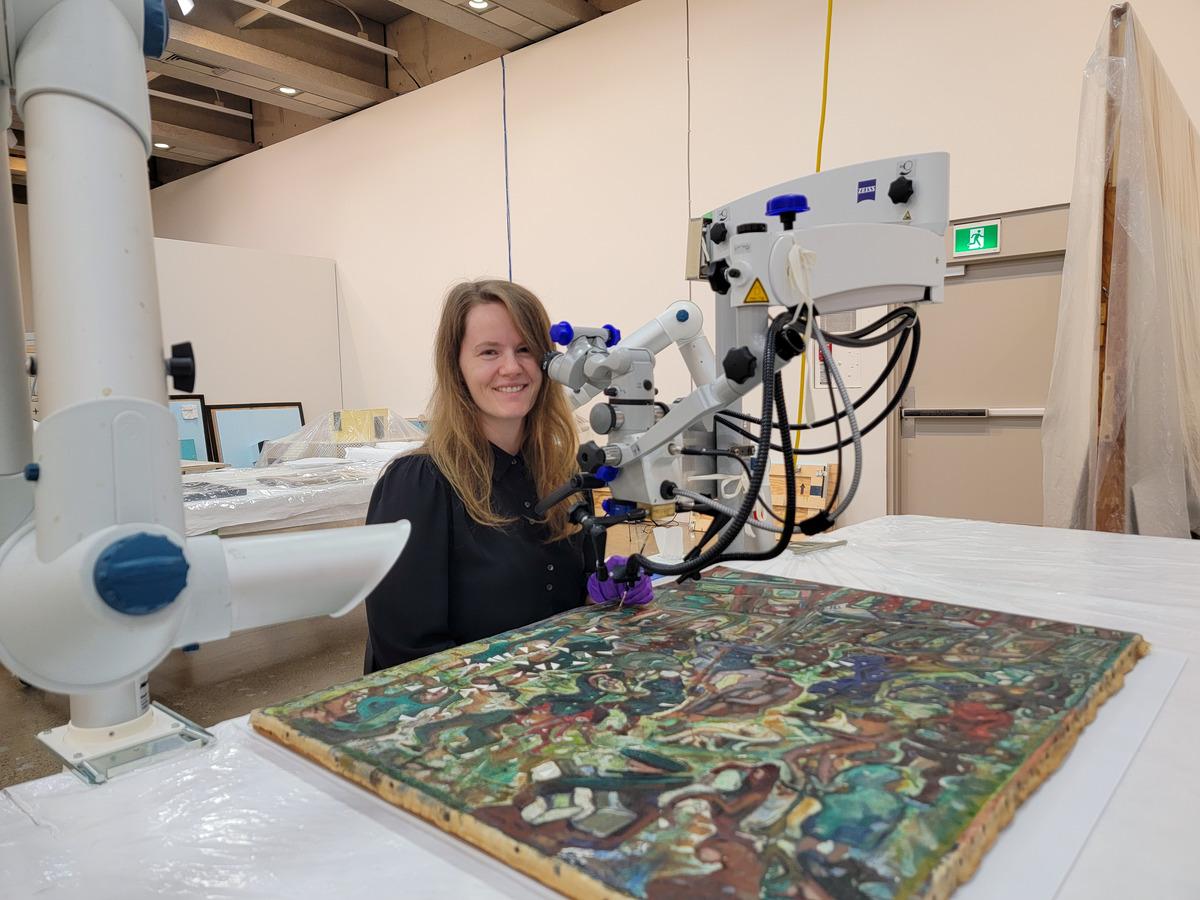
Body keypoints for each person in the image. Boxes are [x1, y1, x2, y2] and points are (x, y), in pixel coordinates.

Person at [363, 279, 652, 674]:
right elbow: (406, 652)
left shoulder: (562, 475)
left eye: (525, 349)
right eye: (489, 352)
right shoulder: (418, 485)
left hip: (557, 685)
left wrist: (603, 592)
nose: (512, 367)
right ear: (457, 366)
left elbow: (571, 604)